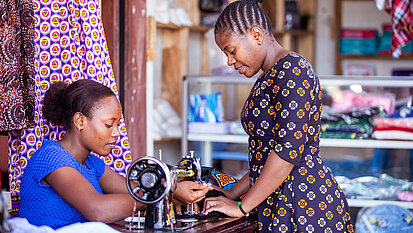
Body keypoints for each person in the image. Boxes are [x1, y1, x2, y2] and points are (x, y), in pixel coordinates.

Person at [202, 0, 354, 232]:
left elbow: (286, 153)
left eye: (231, 51)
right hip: (279, 199)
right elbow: (266, 155)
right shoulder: (270, 75)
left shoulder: (293, 70)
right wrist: (233, 193)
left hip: (303, 206)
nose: (229, 61)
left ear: (256, 35)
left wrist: (242, 207)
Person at [19, 79, 211, 229]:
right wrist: (161, 194)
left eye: (117, 125)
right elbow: (98, 210)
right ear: (80, 121)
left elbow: (134, 190)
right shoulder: (50, 157)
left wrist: (174, 191)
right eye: (109, 124)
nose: (116, 132)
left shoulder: (91, 163)